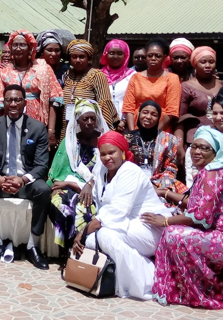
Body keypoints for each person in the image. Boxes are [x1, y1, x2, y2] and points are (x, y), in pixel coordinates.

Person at [147, 127, 223, 309]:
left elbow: (198, 216)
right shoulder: (211, 172)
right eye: (194, 146)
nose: (197, 151)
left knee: (173, 234)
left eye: (204, 148)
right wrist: (164, 192)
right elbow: (195, 203)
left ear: (216, 153)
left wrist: (165, 221)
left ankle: (197, 293)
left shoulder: (211, 174)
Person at [72, 131, 172, 300]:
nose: (107, 157)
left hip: (146, 228)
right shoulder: (103, 171)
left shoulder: (130, 171)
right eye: (103, 154)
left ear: (123, 152)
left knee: (102, 236)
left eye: (112, 152)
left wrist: (82, 233)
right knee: (92, 241)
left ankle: (149, 277)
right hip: (122, 224)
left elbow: (116, 211)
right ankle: (120, 278)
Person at [0, 84, 52, 268]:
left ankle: (32, 245)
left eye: (17, 100)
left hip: (26, 183)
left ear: (25, 103)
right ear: (3, 102)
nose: (13, 104)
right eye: (9, 100)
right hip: (0, 182)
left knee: (44, 190)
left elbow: (41, 165)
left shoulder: (37, 128)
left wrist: (23, 179)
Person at [48, 100, 107, 251]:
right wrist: (57, 186)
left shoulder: (104, 141)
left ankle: (82, 248)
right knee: (61, 203)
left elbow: (107, 172)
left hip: (97, 188)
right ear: (78, 120)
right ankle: (67, 248)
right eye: (85, 118)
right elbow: (59, 169)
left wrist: (89, 185)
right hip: (71, 186)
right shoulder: (71, 141)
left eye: (92, 118)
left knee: (84, 208)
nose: (89, 122)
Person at [0, 30, 63, 145]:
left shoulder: (43, 68)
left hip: (37, 124)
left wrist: (51, 130)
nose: (18, 48)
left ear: (30, 48)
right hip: (11, 123)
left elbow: (53, 100)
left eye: (22, 45)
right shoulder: (2, 71)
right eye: (15, 45)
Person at [60, 39, 119, 138]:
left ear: (88, 58)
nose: (77, 60)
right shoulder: (66, 75)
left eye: (82, 57)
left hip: (89, 129)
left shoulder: (96, 76)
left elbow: (104, 104)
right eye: (74, 57)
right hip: (67, 127)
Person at [121, 39, 181, 132]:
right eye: (150, 55)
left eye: (157, 56)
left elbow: (171, 111)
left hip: (161, 129)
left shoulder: (172, 78)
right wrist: (133, 133)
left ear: (165, 57)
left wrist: (154, 133)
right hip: (137, 128)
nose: (153, 58)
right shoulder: (136, 77)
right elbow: (129, 109)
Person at [124, 100, 183, 194]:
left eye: (154, 114)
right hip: (130, 183)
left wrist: (159, 188)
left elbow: (171, 168)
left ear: (159, 118)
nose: (148, 117)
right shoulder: (126, 138)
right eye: (145, 112)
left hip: (159, 185)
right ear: (138, 114)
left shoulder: (169, 140)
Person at [177, 45, 223, 159]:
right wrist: (179, 146)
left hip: (220, 141)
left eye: (211, 62)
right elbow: (180, 119)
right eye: (203, 62)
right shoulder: (187, 87)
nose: (208, 65)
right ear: (194, 64)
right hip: (195, 142)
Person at [100, 39, 135, 128]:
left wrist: (124, 121)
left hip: (126, 124)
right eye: (111, 53)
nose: (115, 56)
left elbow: (135, 101)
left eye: (120, 54)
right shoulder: (98, 75)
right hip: (103, 123)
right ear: (106, 54)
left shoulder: (133, 75)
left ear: (125, 56)